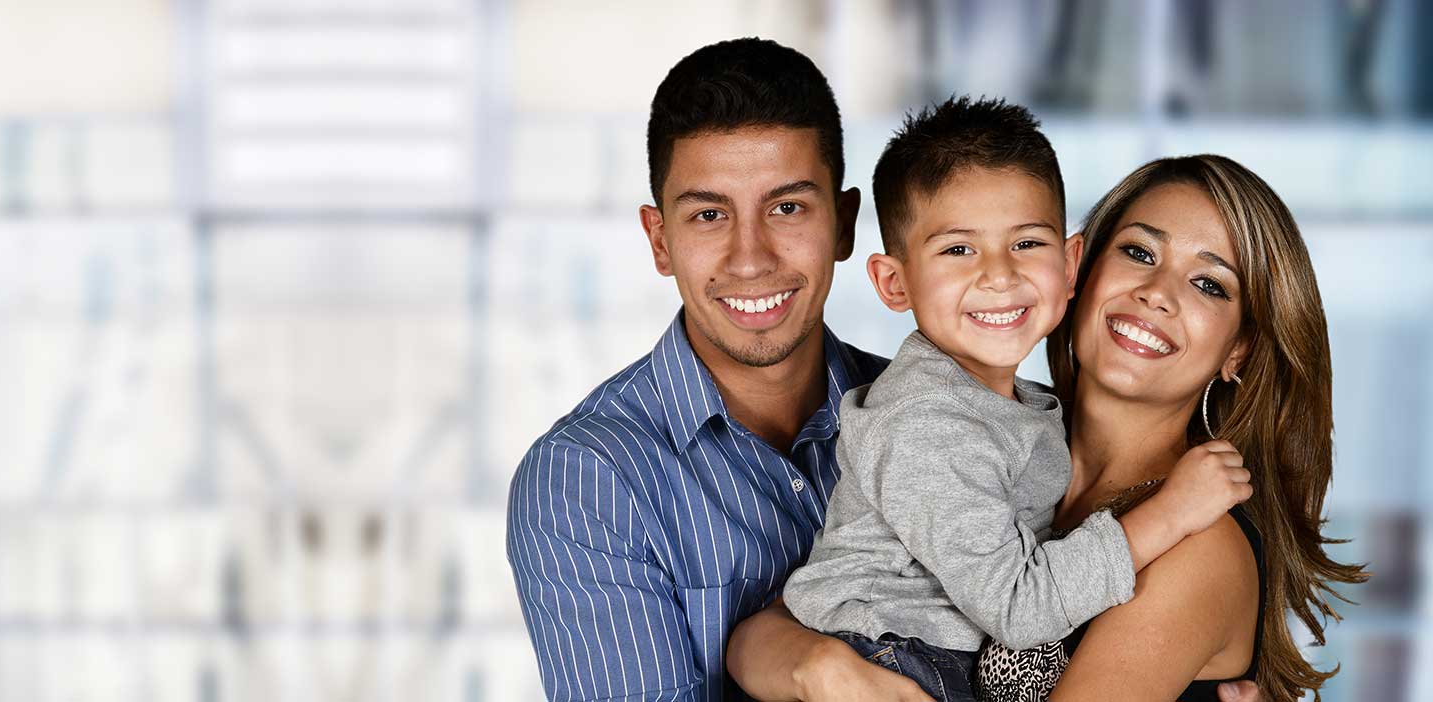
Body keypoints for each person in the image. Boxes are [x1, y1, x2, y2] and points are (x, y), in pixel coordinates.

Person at [728, 155, 1365, 701]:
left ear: (1239, 351)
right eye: (1139, 252)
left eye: (1208, 284)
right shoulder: (982, 446)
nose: (1158, 292)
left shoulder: (1194, 542)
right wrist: (824, 669)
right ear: (1077, 273)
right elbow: (770, 631)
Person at [779, 98, 1252, 702]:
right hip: (896, 656)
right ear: (895, 283)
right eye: (957, 249)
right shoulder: (930, 422)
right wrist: (1168, 514)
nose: (998, 275)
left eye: (1026, 243)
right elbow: (1019, 609)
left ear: (1068, 261)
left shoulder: (1195, 546)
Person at [503, 37, 908, 701]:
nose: (750, 258)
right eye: (710, 214)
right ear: (660, 241)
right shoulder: (588, 482)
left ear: (844, 224)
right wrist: (809, 670)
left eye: (787, 207)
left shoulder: (940, 413)